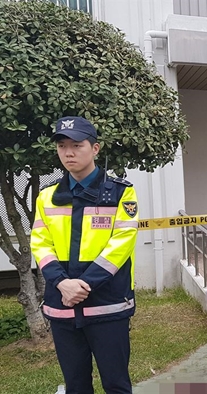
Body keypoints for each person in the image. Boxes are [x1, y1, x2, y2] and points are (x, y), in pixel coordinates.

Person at [30, 116, 139, 393]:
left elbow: (121, 242)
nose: (68, 153)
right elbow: (40, 242)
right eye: (62, 146)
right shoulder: (47, 196)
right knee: (76, 386)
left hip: (107, 305)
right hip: (62, 306)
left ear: (95, 149)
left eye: (77, 145)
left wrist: (84, 284)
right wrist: (63, 283)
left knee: (116, 384)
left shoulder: (120, 193)